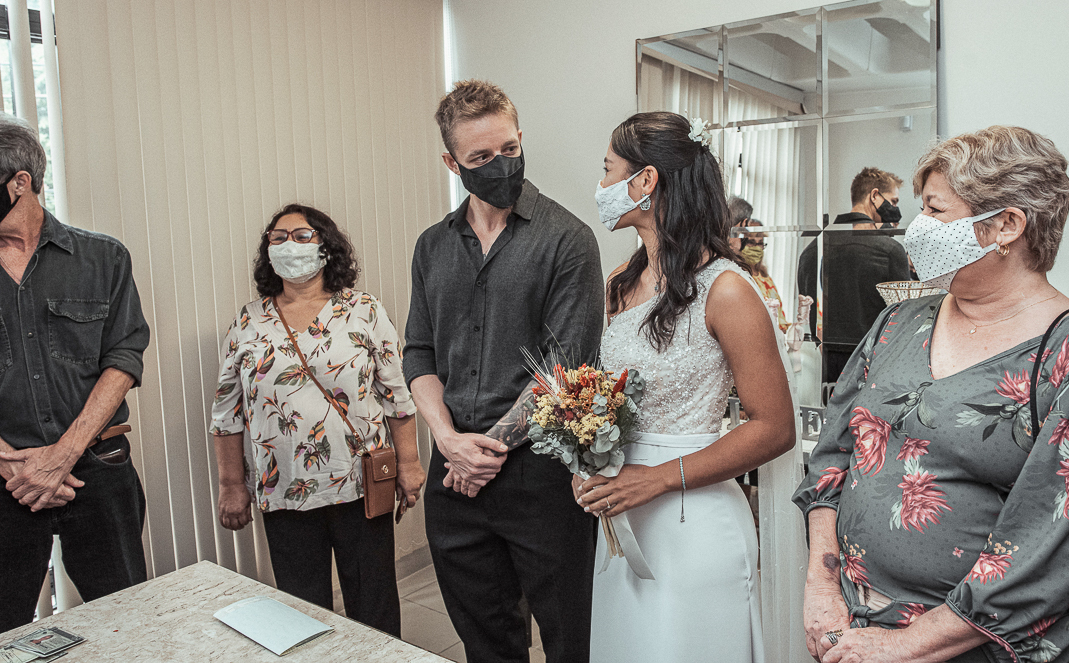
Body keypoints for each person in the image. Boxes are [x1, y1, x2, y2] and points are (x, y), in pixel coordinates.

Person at [794, 125, 1069, 663]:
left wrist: (908, 646)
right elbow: (833, 456)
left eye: (936, 212)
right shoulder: (897, 323)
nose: (917, 229)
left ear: (1006, 226)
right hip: (854, 632)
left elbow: (1055, 549)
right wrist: (823, 587)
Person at [575, 111, 796, 662]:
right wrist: (590, 464)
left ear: (645, 181)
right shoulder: (620, 285)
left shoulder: (726, 290)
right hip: (623, 517)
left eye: (608, 171)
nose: (601, 188)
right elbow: (613, 404)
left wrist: (655, 479)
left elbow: (775, 427)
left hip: (694, 521)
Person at [403, 80, 604, 663]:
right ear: (452, 162)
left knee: (570, 639)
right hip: (455, 477)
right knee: (486, 643)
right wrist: (447, 442)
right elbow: (419, 353)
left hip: (539, 478)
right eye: (481, 158)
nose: (501, 165)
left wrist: (482, 454)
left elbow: (563, 370)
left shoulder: (568, 240)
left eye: (510, 149)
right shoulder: (432, 246)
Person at [210, 204, 422, 637]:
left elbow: (396, 396)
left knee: (374, 604)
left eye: (303, 235)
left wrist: (411, 463)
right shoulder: (248, 322)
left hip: (359, 483)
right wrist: (231, 485)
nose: (289, 244)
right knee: (302, 614)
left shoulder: (363, 310)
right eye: (278, 237)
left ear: (327, 246)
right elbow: (226, 413)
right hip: (284, 488)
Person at [0, 114, 151, 632]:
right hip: (7, 482)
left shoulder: (102, 258)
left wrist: (63, 455)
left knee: (128, 624)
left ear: (20, 183)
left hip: (99, 470)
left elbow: (124, 359)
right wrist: (12, 466)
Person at [798, 166, 911, 383]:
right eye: (893, 201)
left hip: (826, 370)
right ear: (875, 196)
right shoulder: (889, 251)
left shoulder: (813, 249)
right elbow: (900, 322)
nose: (896, 209)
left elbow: (809, 316)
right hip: (875, 369)